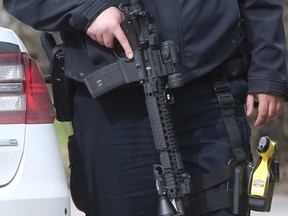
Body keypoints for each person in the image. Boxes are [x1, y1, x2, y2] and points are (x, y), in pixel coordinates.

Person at [4, 0, 287, 215]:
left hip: (209, 87)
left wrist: (269, 71)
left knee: (221, 204)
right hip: (111, 103)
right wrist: (87, 9)